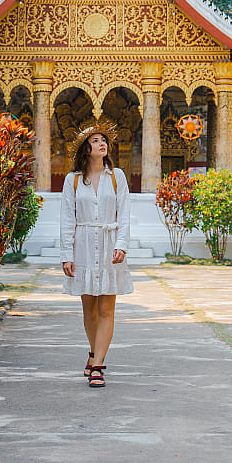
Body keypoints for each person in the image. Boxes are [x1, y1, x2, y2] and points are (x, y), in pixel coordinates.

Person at [60, 123, 132, 388]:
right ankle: (93, 353)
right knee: (89, 309)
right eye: (95, 141)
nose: (102, 144)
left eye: (104, 140)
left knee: (106, 308)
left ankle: (98, 365)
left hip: (110, 243)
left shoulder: (117, 177)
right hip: (82, 246)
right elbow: (67, 218)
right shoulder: (73, 180)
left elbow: (123, 213)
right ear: (85, 148)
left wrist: (122, 244)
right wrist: (67, 254)